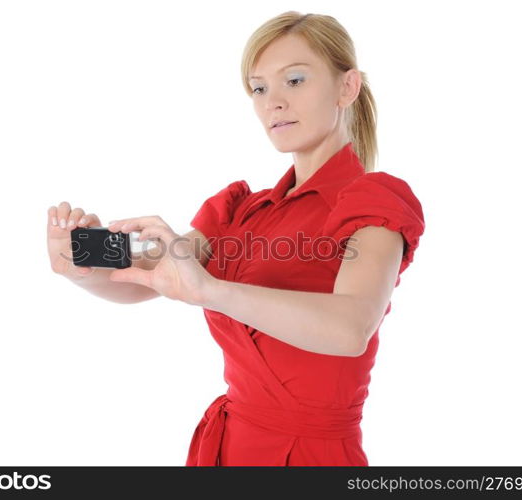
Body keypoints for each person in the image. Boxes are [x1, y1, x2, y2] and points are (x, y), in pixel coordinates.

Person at [46, 11, 425, 466]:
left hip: (313, 458)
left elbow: (351, 328)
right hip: (229, 448)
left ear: (347, 87)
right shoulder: (239, 209)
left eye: (296, 80)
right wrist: (83, 265)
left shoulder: (375, 201)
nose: (273, 103)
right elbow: (156, 272)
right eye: (259, 88)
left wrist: (210, 289)